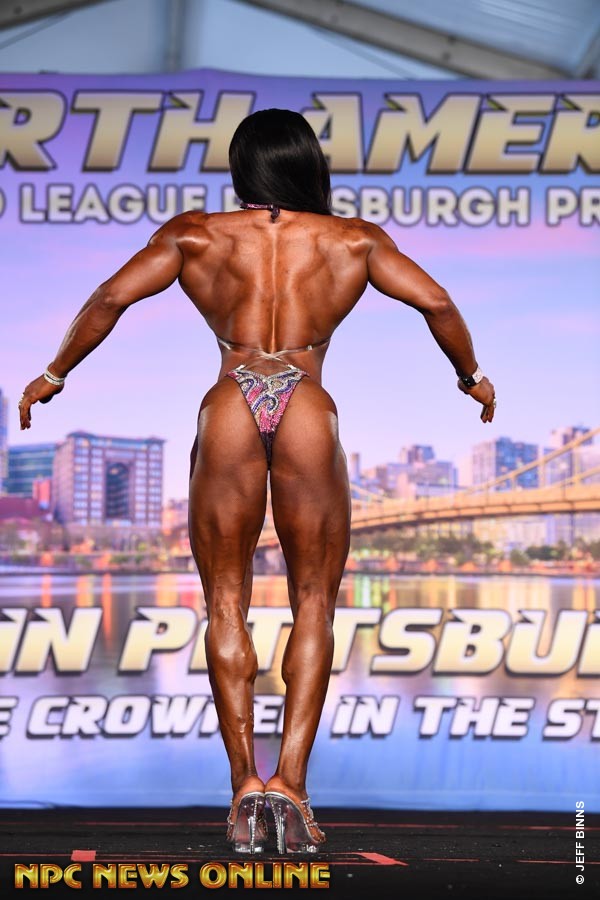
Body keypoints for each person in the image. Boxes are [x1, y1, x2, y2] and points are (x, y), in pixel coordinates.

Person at [18, 108, 496, 856]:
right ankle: (292, 787)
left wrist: (54, 374)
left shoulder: (197, 234)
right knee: (315, 603)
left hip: (231, 397)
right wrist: (470, 377)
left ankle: (244, 785)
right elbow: (436, 302)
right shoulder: (354, 240)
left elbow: (110, 298)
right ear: (308, 165)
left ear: (242, 168)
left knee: (225, 601)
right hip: (306, 399)